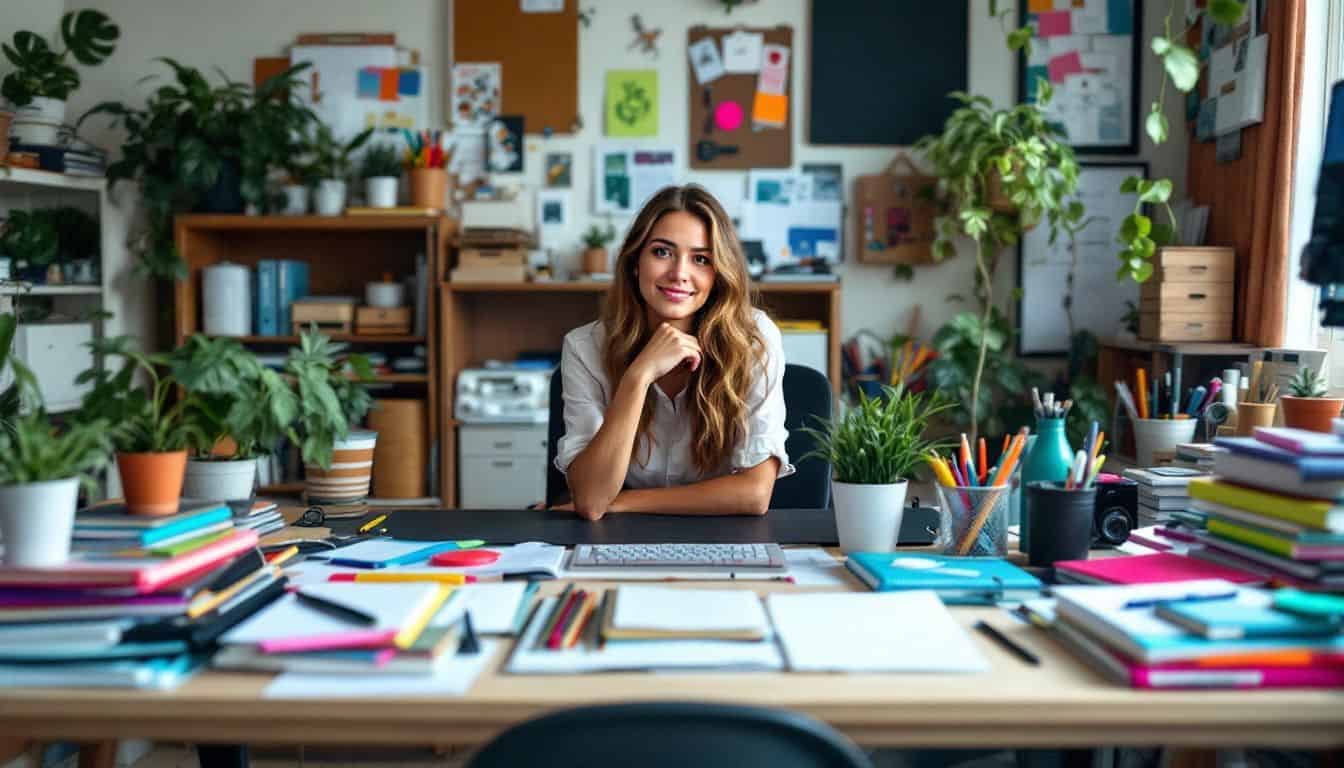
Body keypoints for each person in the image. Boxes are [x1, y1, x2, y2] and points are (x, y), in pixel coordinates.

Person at [553, 184, 793, 520]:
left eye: (700, 259)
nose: (680, 274)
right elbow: (592, 500)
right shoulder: (584, 347)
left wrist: (622, 502)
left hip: (722, 540)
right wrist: (638, 377)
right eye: (662, 252)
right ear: (635, 261)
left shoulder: (753, 338)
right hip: (616, 541)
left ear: (719, 273)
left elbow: (754, 493)